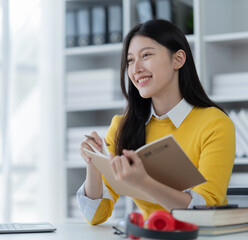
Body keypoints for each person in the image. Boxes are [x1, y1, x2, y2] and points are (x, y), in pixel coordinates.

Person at [76, 19, 235, 225]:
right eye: (130, 60)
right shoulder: (123, 126)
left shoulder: (215, 124)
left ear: (177, 59)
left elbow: (204, 210)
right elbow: (95, 216)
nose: (136, 68)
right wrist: (94, 164)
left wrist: (143, 182)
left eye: (146, 55)